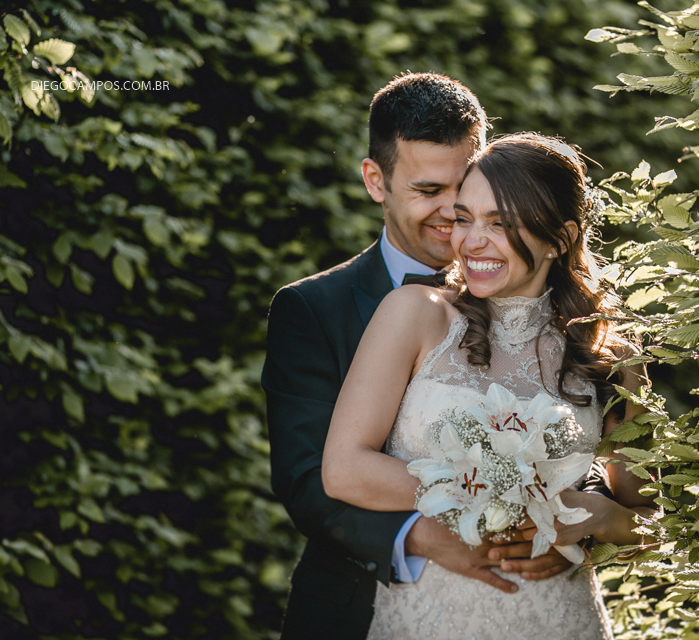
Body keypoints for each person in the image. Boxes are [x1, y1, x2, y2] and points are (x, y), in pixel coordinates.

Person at [262, 74, 572, 640]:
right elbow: (305, 478)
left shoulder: (539, 298)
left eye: (466, 186)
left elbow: (583, 429)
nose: (453, 211)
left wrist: (581, 512)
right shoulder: (313, 308)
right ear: (376, 181)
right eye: (429, 191)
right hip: (362, 604)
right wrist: (419, 535)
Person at [322, 132, 656, 639]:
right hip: (428, 619)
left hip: (558, 619)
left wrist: (601, 519)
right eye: (464, 218)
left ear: (560, 238)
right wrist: (490, 496)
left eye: (499, 224)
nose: (471, 240)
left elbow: (654, 523)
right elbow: (344, 469)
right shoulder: (415, 315)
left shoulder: (610, 354)